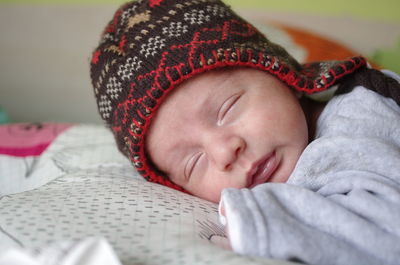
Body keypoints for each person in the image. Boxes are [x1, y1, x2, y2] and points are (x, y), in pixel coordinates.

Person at [90, 0, 400, 264]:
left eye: (227, 108)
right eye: (193, 162)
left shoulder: (361, 118)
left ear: (278, 72)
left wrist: (261, 218)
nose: (224, 153)